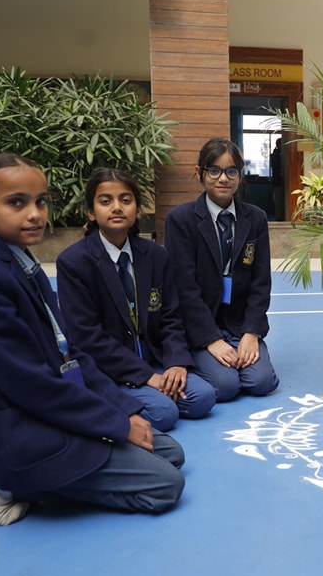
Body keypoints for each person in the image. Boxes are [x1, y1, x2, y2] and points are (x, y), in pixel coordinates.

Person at [0, 154, 185, 526]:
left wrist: (124, 409)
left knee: (169, 451)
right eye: (16, 202)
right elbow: (32, 385)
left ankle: (71, 464)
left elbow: (70, 353)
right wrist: (116, 426)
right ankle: (15, 485)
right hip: (20, 433)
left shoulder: (22, 264)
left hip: (47, 411)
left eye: (40, 201)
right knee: (166, 484)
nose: (35, 213)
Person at [56, 168, 216, 431]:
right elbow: (88, 338)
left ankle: (150, 393)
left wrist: (176, 361)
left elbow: (171, 316)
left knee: (203, 398)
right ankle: (108, 399)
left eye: (126, 200)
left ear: (138, 210)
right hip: (109, 370)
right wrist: (147, 377)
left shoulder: (155, 255)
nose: (117, 207)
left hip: (154, 359)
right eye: (105, 201)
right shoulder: (74, 263)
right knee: (164, 414)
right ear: (91, 212)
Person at [165, 137, 280, 401]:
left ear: (241, 174)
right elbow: (184, 288)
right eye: (214, 170)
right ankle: (193, 358)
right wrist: (210, 339)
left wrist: (252, 333)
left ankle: (239, 346)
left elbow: (261, 282)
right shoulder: (181, 220)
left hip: (239, 325)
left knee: (261, 382)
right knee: (226, 387)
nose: (223, 179)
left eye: (231, 171)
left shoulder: (256, 218)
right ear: (200, 172)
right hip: (201, 326)